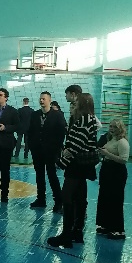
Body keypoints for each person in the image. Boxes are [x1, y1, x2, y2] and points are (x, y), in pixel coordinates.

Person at [47, 93, 98, 248]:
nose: (73, 105)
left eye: (76, 103)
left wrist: (62, 162)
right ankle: (77, 232)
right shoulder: (89, 118)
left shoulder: (84, 119)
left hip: (77, 164)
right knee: (80, 198)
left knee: (67, 196)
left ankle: (66, 235)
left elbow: (76, 144)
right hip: (82, 164)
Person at [27, 91, 66, 212]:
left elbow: (61, 133)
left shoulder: (57, 115)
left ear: (49, 100)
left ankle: (58, 201)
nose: (41, 100)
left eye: (44, 99)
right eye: (40, 99)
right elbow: (30, 131)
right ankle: (41, 199)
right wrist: (31, 145)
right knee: (39, 175)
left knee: (52, 175)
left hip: (51, 151)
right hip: (37, 150)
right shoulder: (35, 114)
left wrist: (56, 148)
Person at [95, 118, 130, 240]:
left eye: (115, 127)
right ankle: (106, 225)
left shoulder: (122, 142)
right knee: (105, 198)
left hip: (117, 172)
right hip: (107, 170)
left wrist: (107, 154)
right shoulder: (110, 139)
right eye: (110, 126)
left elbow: (124, 160)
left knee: (115, 200)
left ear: (120, 129)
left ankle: (118, 230)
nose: (112, 129)